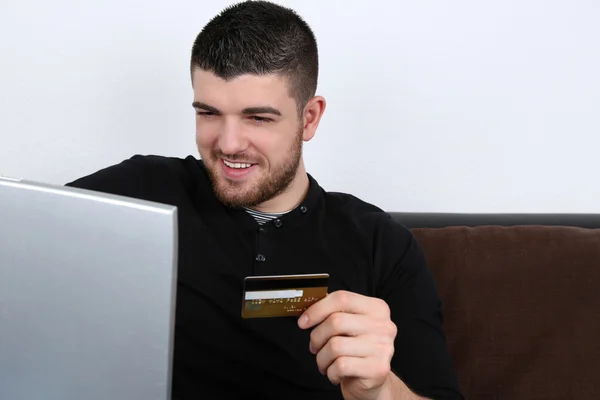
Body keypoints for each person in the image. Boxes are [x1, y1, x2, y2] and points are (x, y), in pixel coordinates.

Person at [67, 1, 463, 399]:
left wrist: (380, 390)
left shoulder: (381, 245)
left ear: (309, 118)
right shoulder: (143, 192)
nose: (228, 144)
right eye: (209, 113)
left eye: (258, 118)